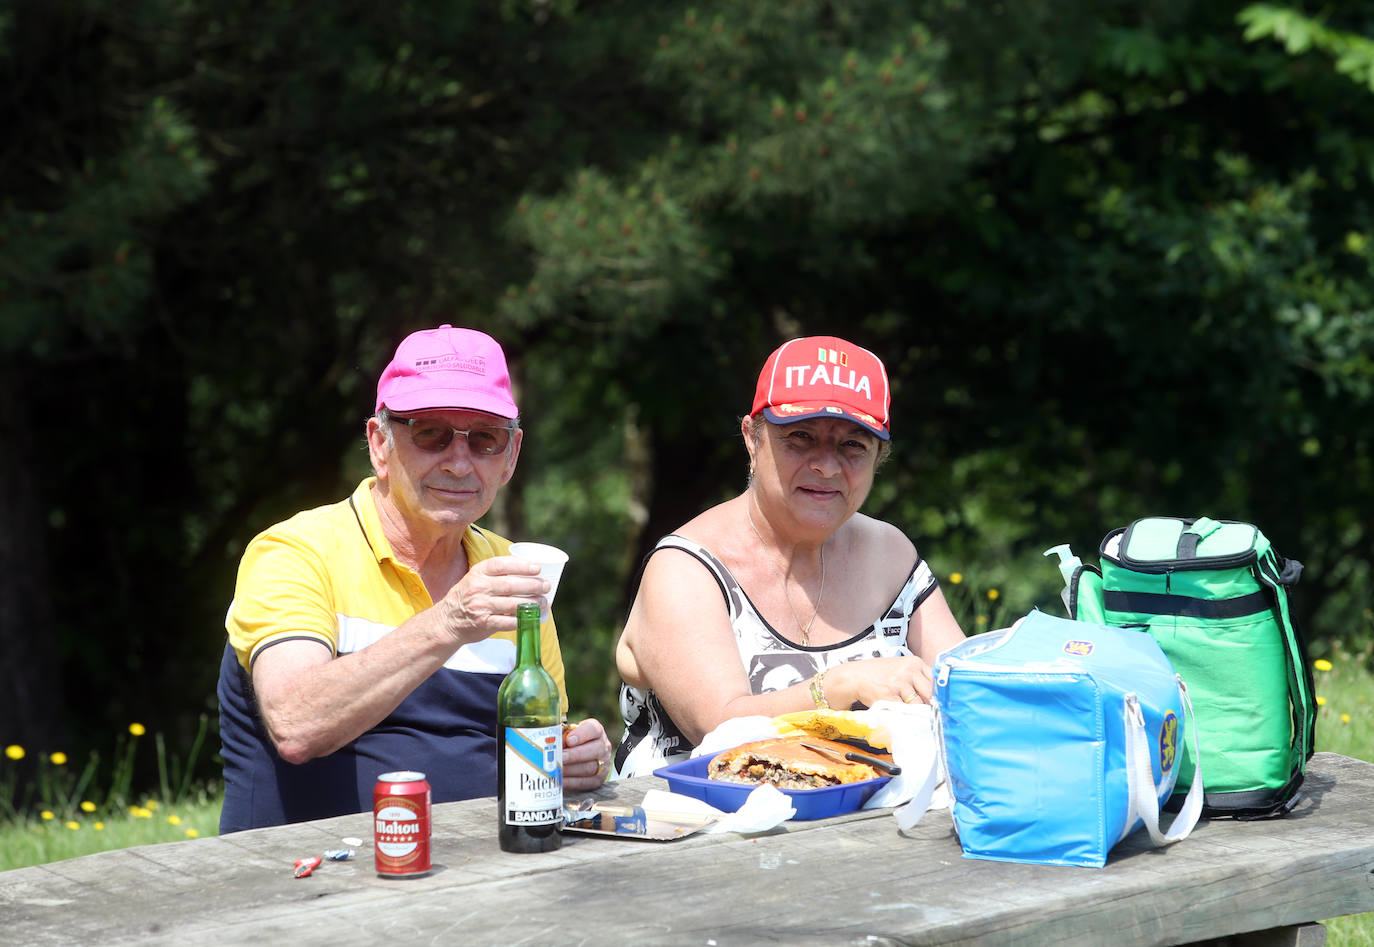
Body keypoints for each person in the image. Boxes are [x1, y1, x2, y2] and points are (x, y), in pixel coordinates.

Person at [217, 324, 612, 832]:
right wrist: (448, 622)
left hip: (477, 873)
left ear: (511, 457)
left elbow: (535, 741)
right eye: (431, 433)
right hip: (307, 880)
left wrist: (574, 756)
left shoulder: (516, 571)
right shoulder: (295, 552)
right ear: (379, 444)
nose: (458, 461)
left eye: (485, 439)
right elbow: (296, 724)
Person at [613, 335, 966, 777]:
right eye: (801, 437)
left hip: (870, 826)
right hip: (694, 831)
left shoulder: (892, 554)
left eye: (853, 445)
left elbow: (966, 690)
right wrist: (838, 686)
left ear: (880, 456)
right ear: (752, 438)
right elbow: (718, 730)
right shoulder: (685, 568)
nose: (827, 466)